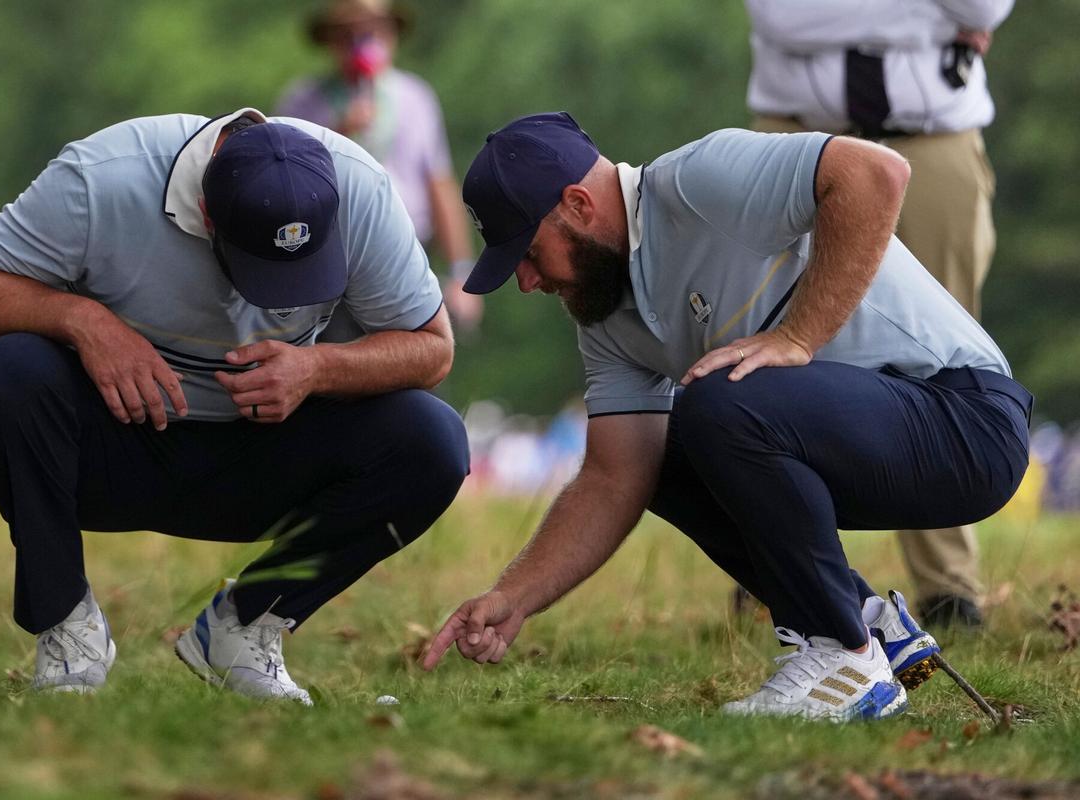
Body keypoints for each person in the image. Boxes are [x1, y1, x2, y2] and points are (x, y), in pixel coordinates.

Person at [422, 112, 1031, 721]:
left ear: (579, 206)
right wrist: (514, 596)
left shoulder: (697, 180)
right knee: (665, 446)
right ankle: (866, 625)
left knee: (715, 404)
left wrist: (798, 336)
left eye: (528, 254)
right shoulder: (606, 321)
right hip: (879, 434)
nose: (526, 282)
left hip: (968, 422)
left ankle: (841, 654)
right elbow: (615, 476)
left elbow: (876, 172)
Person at [0, 109, 470, 701]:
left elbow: (432, 350)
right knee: (7, 373)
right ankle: (67, 628)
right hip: (119, 442)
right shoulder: (100, 178)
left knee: (433, 441)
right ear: (207, 214)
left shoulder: (362, 191)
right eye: (257, 267)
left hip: (264, 452)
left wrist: (317, 368)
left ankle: (243, 626)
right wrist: (82, 321)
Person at [745, 0, 1016, 628]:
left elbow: (983, 6)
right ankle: (770, 560)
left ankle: (949, 585)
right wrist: (928, 20)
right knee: (767, 346)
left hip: (934, 138)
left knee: (948, 363)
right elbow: (784, 19)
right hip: (801, 136)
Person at [275, 0, 483, 338]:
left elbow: (438, 183)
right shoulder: (303, 101)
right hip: (334, 262)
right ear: (330, 41)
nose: (361, 40)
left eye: (371, 31)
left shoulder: (415, 96)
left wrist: (462, 272)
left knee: (416, 355)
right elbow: (286, 184)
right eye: (348, 34)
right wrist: (339, 131)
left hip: (408, 254)